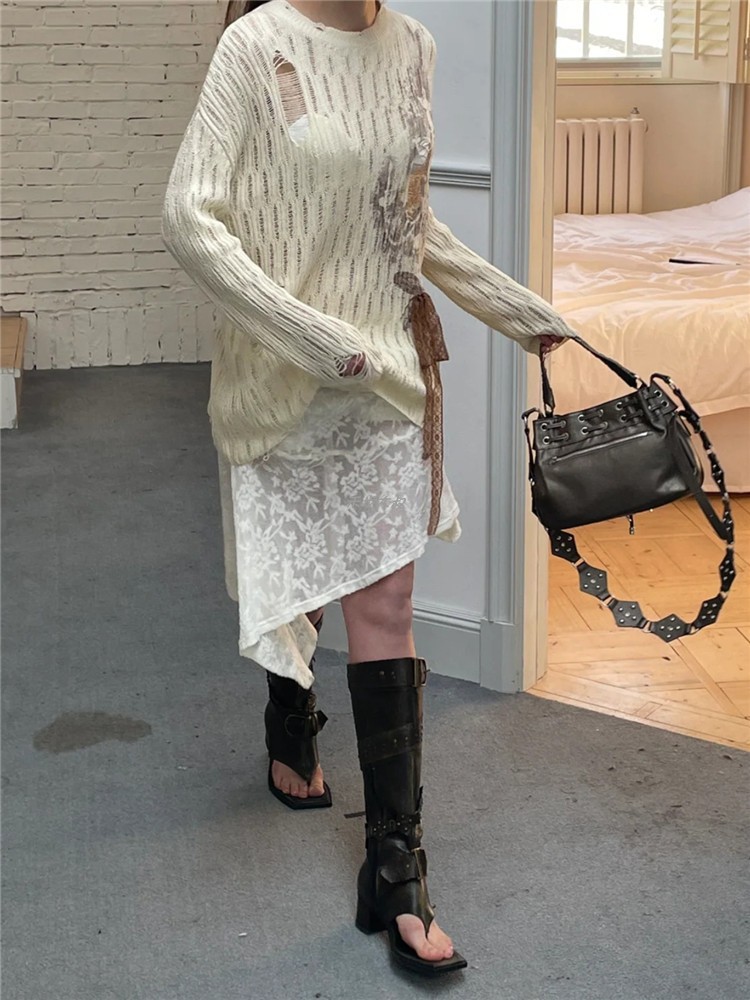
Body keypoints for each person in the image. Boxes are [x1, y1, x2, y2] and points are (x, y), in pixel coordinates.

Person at [161, 0, 572, 976]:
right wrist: (307, 333)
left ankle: (397, 868)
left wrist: (516, 308)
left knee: (385, 602)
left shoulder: (412, 47)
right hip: (282, 374)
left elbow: (408, 222)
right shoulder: (255, 46)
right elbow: (188, 216)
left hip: (386, 376)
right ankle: (289, 718)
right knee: (302, 581)